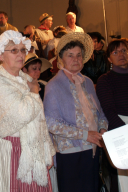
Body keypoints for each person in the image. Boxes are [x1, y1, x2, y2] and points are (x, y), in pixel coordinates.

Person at [0, 30, 55, 192]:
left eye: (22, 50)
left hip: (33, 147)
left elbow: (40, 118)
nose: (20, 54)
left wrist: (47, 149)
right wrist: (33, 92)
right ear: (1, 55)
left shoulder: (27, 79)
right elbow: (22, 113)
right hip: (13, 150)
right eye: (14, 50)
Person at [43, 32, 108, 192]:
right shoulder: (54, 85)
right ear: (61, 59)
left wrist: (102, 129)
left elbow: (100, 114)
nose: (76, 59)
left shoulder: (87, 81)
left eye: (79, 55)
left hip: (92, 149)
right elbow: (51, 124)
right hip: (70, 152)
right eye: (70, 55)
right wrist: (86, 135)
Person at [96, 39, 128, 192]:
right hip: (119, 130)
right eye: (115, 52)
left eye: (124, 50)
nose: (121, 54)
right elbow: (108, 110)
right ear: (109, 58)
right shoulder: (105, 80)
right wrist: (126, 131)